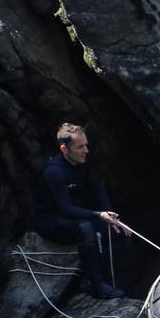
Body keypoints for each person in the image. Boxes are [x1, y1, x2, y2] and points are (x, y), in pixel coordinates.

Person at [33, 122, 131, 299]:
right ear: (64, 148)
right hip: (50, 220)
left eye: (86, 145)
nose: (86, 150)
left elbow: (98, 188)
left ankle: (103, 276)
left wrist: (110, 215)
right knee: (86, 228)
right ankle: (96, 284)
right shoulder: (54, 171)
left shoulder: (82, 162)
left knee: (121, 233)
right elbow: (66, 209)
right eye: (80, 147)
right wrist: (98, 215)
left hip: (72, 216)